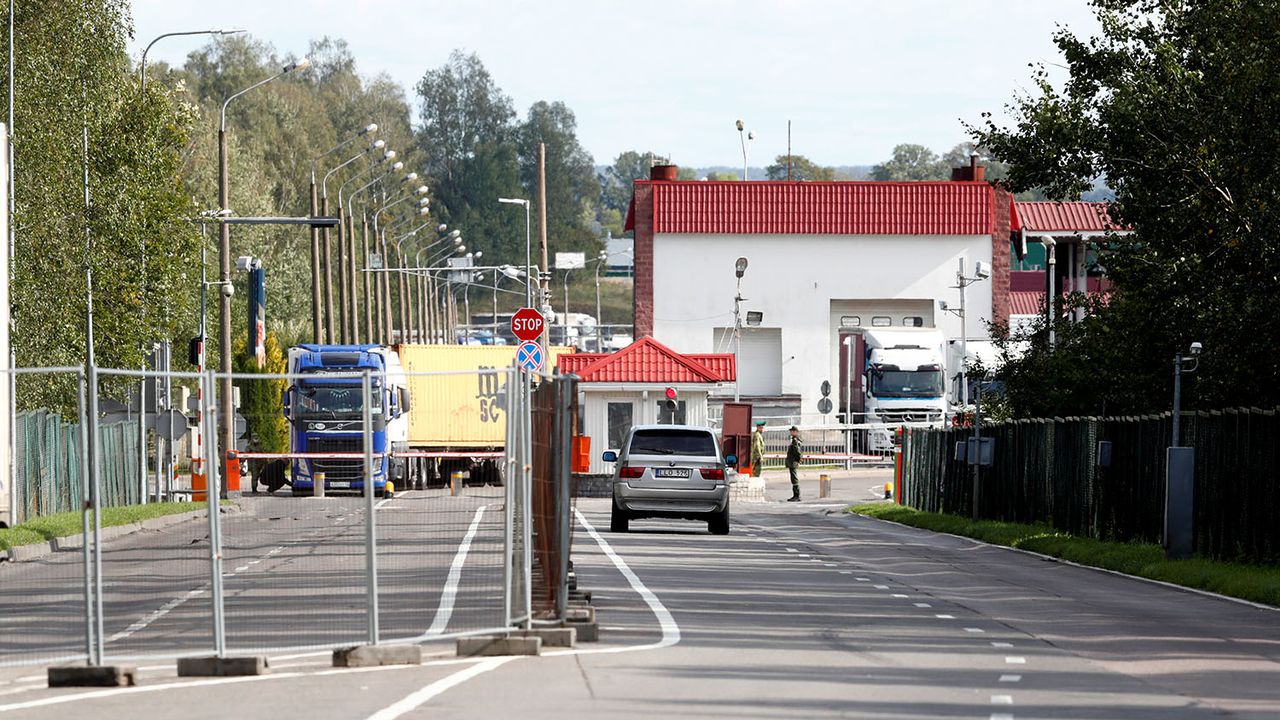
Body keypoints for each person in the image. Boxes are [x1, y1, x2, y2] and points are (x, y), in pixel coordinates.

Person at [785, 426, 802, 501]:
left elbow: (797, 451)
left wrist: (798, 459)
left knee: (794, 479)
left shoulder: (795, 440)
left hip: (793, 461)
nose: (790, 432)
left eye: (792, 431)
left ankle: (797, 495)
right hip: (792, 461)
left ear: (795, 432)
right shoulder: (794, 440)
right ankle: (795, 495)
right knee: (793, 478)